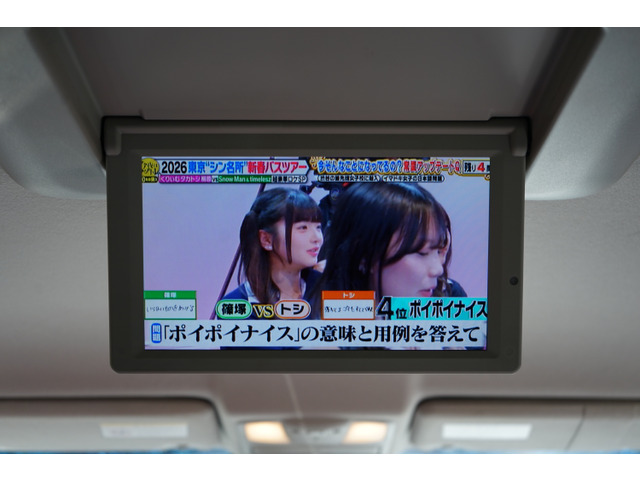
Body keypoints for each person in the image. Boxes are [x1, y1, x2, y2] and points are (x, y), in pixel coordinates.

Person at [318, 182, 466, 302]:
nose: (438, 270)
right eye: (422, 252)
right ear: (364, 255)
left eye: (439, 251)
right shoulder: (317, 318)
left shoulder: (451, 303)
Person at [222, 187, 324, 311]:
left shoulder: (329, 288)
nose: (317, 238)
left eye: (318, 227)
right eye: (303, 228)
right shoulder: (237, 305)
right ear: (266, 239)